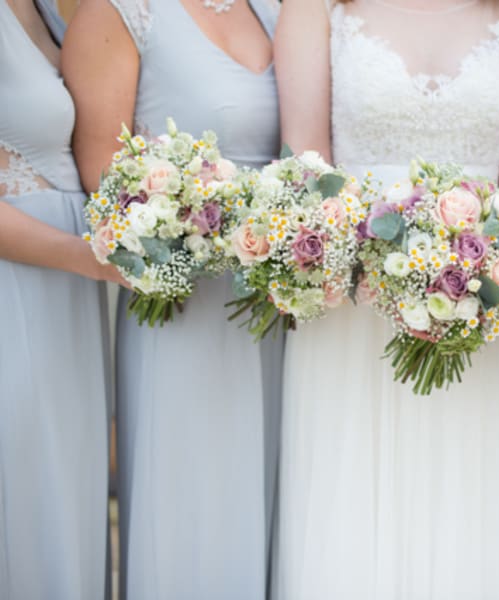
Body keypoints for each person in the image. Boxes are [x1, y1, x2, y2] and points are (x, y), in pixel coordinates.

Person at [272, 0, 499, 596]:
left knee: (478, 501)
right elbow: (305, 155)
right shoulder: (314, 6)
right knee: (353, 500)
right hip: (355, 301)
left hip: (484, 303)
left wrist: (490, 272)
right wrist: (369, 264)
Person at [62, 1, 283, 597]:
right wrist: (192, 221)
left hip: (285, 308)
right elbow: (103, 182)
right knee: (195, 504)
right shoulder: (118, 13)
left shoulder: (276, 8)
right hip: (184, 309)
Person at [0, 0, 121, 597]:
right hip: (17, 290)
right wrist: (81, 257)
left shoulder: (47, 9)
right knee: (25, 493)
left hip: (71, 298)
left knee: (67, 494)